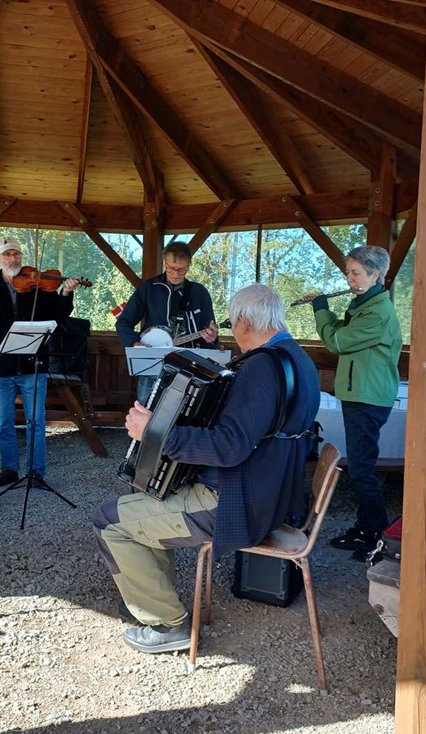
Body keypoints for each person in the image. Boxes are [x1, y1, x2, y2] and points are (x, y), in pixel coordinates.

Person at [94, 284, 319, 653]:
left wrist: (154, 432)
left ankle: (169, 624)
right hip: (272, 495)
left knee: (109, 521)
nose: (233, 329)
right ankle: (150, 595)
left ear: (245, 321)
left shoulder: (262, 368)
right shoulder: (298, 359)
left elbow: (230, 447)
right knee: (149, 491)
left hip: (236, 503)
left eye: (233, 323)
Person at [309, 245, 401, 561]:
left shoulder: (376, 312)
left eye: (355, 273)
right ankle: (366, 528)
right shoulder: (363, 305)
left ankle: (377, 535)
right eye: (348, 272)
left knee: (362, 470)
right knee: (362, 467)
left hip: (367, 397)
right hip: (358, 394)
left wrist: (321, 310)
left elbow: (336, 341)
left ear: (375, 275)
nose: (349, 279)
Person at [0, 237, 79, 487]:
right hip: (1, 366)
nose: (13, 259)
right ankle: (9, 469)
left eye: (17, 254)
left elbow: (58, 315)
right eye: (7, 255)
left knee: (36, 421)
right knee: (4, 422)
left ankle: (36, 472)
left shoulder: (37, 288)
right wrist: (8, 338)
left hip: (33, 364)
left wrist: (66, 293)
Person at [115, 241, 219, 405]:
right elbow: (124, 322)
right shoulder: (149, 288)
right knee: (145, 412)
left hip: (189, 367)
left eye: (181, 269)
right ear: (165, 263)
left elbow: (210, 330)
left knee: (185, 415)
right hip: (153, 366)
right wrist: (134, 343)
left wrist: (211, 338)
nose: (175, 273)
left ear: (189, 266)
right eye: (170, 268)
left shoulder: (199, 292)